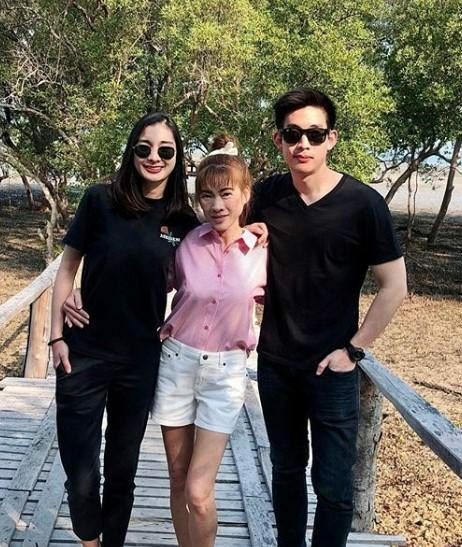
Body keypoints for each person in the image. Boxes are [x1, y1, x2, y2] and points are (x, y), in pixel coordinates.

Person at [250, 88, 407, 547]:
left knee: (334, 486)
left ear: (331, 138)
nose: (303, 144)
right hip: (276, 363)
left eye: (314, 134)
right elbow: (217, 235)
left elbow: (394, 286)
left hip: (333, 368)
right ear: (279, 140)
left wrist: (353, 350)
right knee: (286, 470)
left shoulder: (363, 204)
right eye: (292, 134)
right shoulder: (266, 196)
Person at [49, 112, 199, 547]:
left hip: (140, 359)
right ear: (132, 151)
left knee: (122, 469)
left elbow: (218, 257)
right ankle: (89, 539)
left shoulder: (183, 221)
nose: (154, 157)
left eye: (166, 151)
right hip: (83, 352)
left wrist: (255, 233)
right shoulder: (100, 200)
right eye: (144, 148)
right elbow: (67, 267)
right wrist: (56, 335)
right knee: (80, 470)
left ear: (177, 158)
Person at [152, 153, 267, 547]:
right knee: (178, 478)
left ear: (245, 194)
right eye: (206, 196)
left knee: (199, 492)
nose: (216, 205)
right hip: (176, 364)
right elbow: (145, 280)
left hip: (225, 374)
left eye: (226, 193)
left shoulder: (262, 252)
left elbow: (296, 300)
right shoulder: (186, 243)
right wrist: (82, 291)